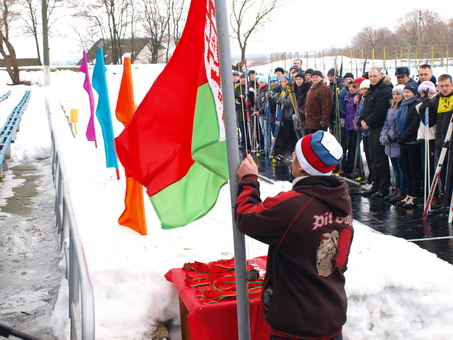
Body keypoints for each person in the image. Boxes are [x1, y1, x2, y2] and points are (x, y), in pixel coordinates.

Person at [235, 130, 353, 340]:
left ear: (300, 166)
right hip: (331, 314)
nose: (292, 157)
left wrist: (249, 180)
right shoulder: (341, 199)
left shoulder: (293, 204)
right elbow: (341, 259)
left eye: (295, 156)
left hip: (296, 324)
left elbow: (246, 217)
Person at [356, 67, 392, 198]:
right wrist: (361, 121)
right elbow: (365, 107)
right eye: (370, 76)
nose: (372, 79)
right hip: (370, 128)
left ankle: (383, 186)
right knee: (373, 158)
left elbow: (380, 111)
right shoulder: (372, 90)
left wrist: (368, 122)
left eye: (375, 76)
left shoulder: (385, 91)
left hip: (379, 127)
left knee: (380, 158)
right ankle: (375, 183)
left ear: (381, 76)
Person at [394, 82, 421, 208]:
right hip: (403, 141)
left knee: (413, 169)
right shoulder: (403, 105)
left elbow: (414, 125)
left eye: (408, 92)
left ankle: (414, 194)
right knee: (406, 169)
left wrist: (402, 136)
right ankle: (409, 193)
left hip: (412, 142)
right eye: (404, 92)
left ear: (414, 93)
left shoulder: (416, 105)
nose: (405, 94)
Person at [380, 85, 407, 203]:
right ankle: (397, 188)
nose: (395, 96)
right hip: (390, 142)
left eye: (398, 94)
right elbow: (386, 124)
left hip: (396, 141)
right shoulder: (391, 109)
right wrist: (383, 135)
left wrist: (390, 136)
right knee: (395, 168)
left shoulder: (403, 108)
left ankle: (401, 188)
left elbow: (398, 126)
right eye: (394, 94)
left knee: (401, 167)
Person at [273, 76, 298, 160]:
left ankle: (293, 153)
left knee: (291, 136)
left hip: (289, 115)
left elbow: (288, 102)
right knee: (285, 136)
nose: (283, 83)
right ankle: (285, 152)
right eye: (282, 81)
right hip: (283, 116)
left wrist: (278, 97)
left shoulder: (290, 90)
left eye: (285, 81)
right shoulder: (283, 90)